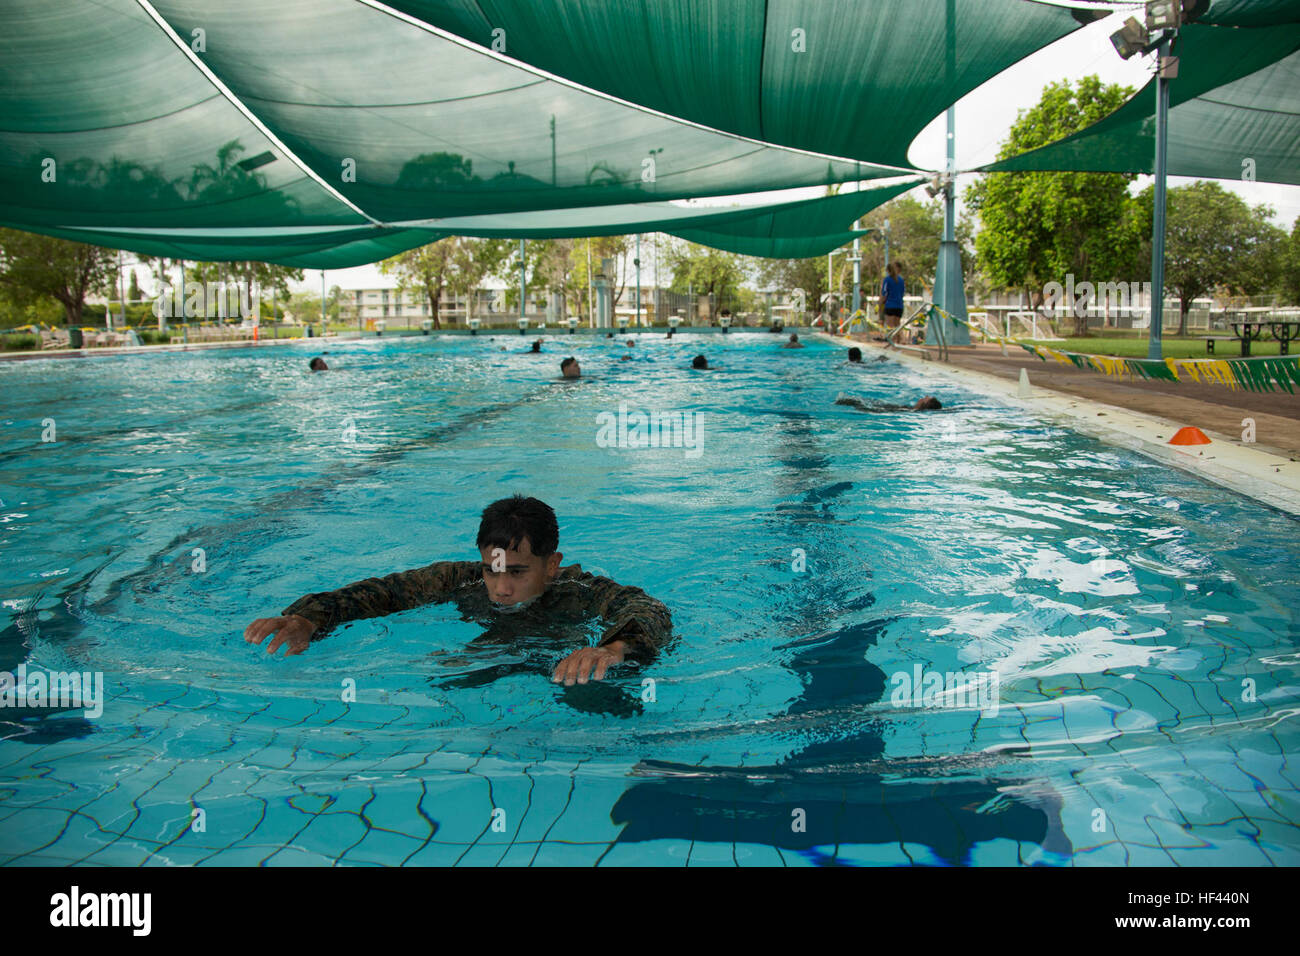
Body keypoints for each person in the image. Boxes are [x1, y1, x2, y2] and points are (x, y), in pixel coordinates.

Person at [243, 495, 672, 685]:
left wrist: (615, 647)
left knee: (595, 696)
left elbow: (647, 608)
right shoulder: (461, 578)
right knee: (448, 680)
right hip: (497, 652)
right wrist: (307, 617)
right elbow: (385, 592)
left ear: (552, 564)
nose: (500, 589)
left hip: (560, 656)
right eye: (492, 571)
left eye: (517, 573)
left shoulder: (578, 589)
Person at [835, 393, 942, 412]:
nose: (925, 396)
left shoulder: (910, 411)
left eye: (926, 398)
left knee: (855, 402)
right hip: (882, 407)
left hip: (878, 410)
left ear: (924, 405)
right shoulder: (909, 408)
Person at [880, 262, 905, 330]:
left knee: (890, 326)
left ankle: (893, 339)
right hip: (899, 306)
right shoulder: (901, 280)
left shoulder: (887, 280)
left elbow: (884, 294)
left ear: (888, 271)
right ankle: (901, 339)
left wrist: (881, 304)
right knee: (897, 326)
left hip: (890, 305)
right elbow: (902, 293)